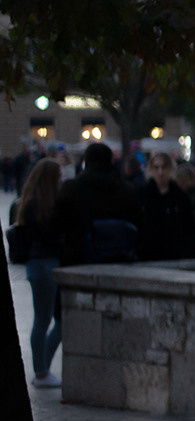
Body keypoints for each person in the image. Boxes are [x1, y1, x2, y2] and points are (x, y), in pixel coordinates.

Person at [9, 157, 66, 385]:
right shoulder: (45, 205)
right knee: (50, 320)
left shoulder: (26, 203)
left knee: (44, 320)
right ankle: (41, 371)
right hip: (48, 263)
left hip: (36, 265)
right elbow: (53, 236)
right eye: (59, 175)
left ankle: (42, 369)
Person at [53, 141, 142, 266]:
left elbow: (57, 223)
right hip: (120, 258)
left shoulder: (72, 188)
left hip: (78, 258)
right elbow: (138, 220)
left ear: (86, 162)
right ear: (111, 161)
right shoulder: (127, 189)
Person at [133, 148, 195, 261]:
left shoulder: (180, 197)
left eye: (164, 167)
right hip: (149, 255)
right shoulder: (142, 195)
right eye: (157, 168)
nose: (160, 172)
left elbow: (189, 228)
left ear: (170, 169)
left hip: (174, 254)